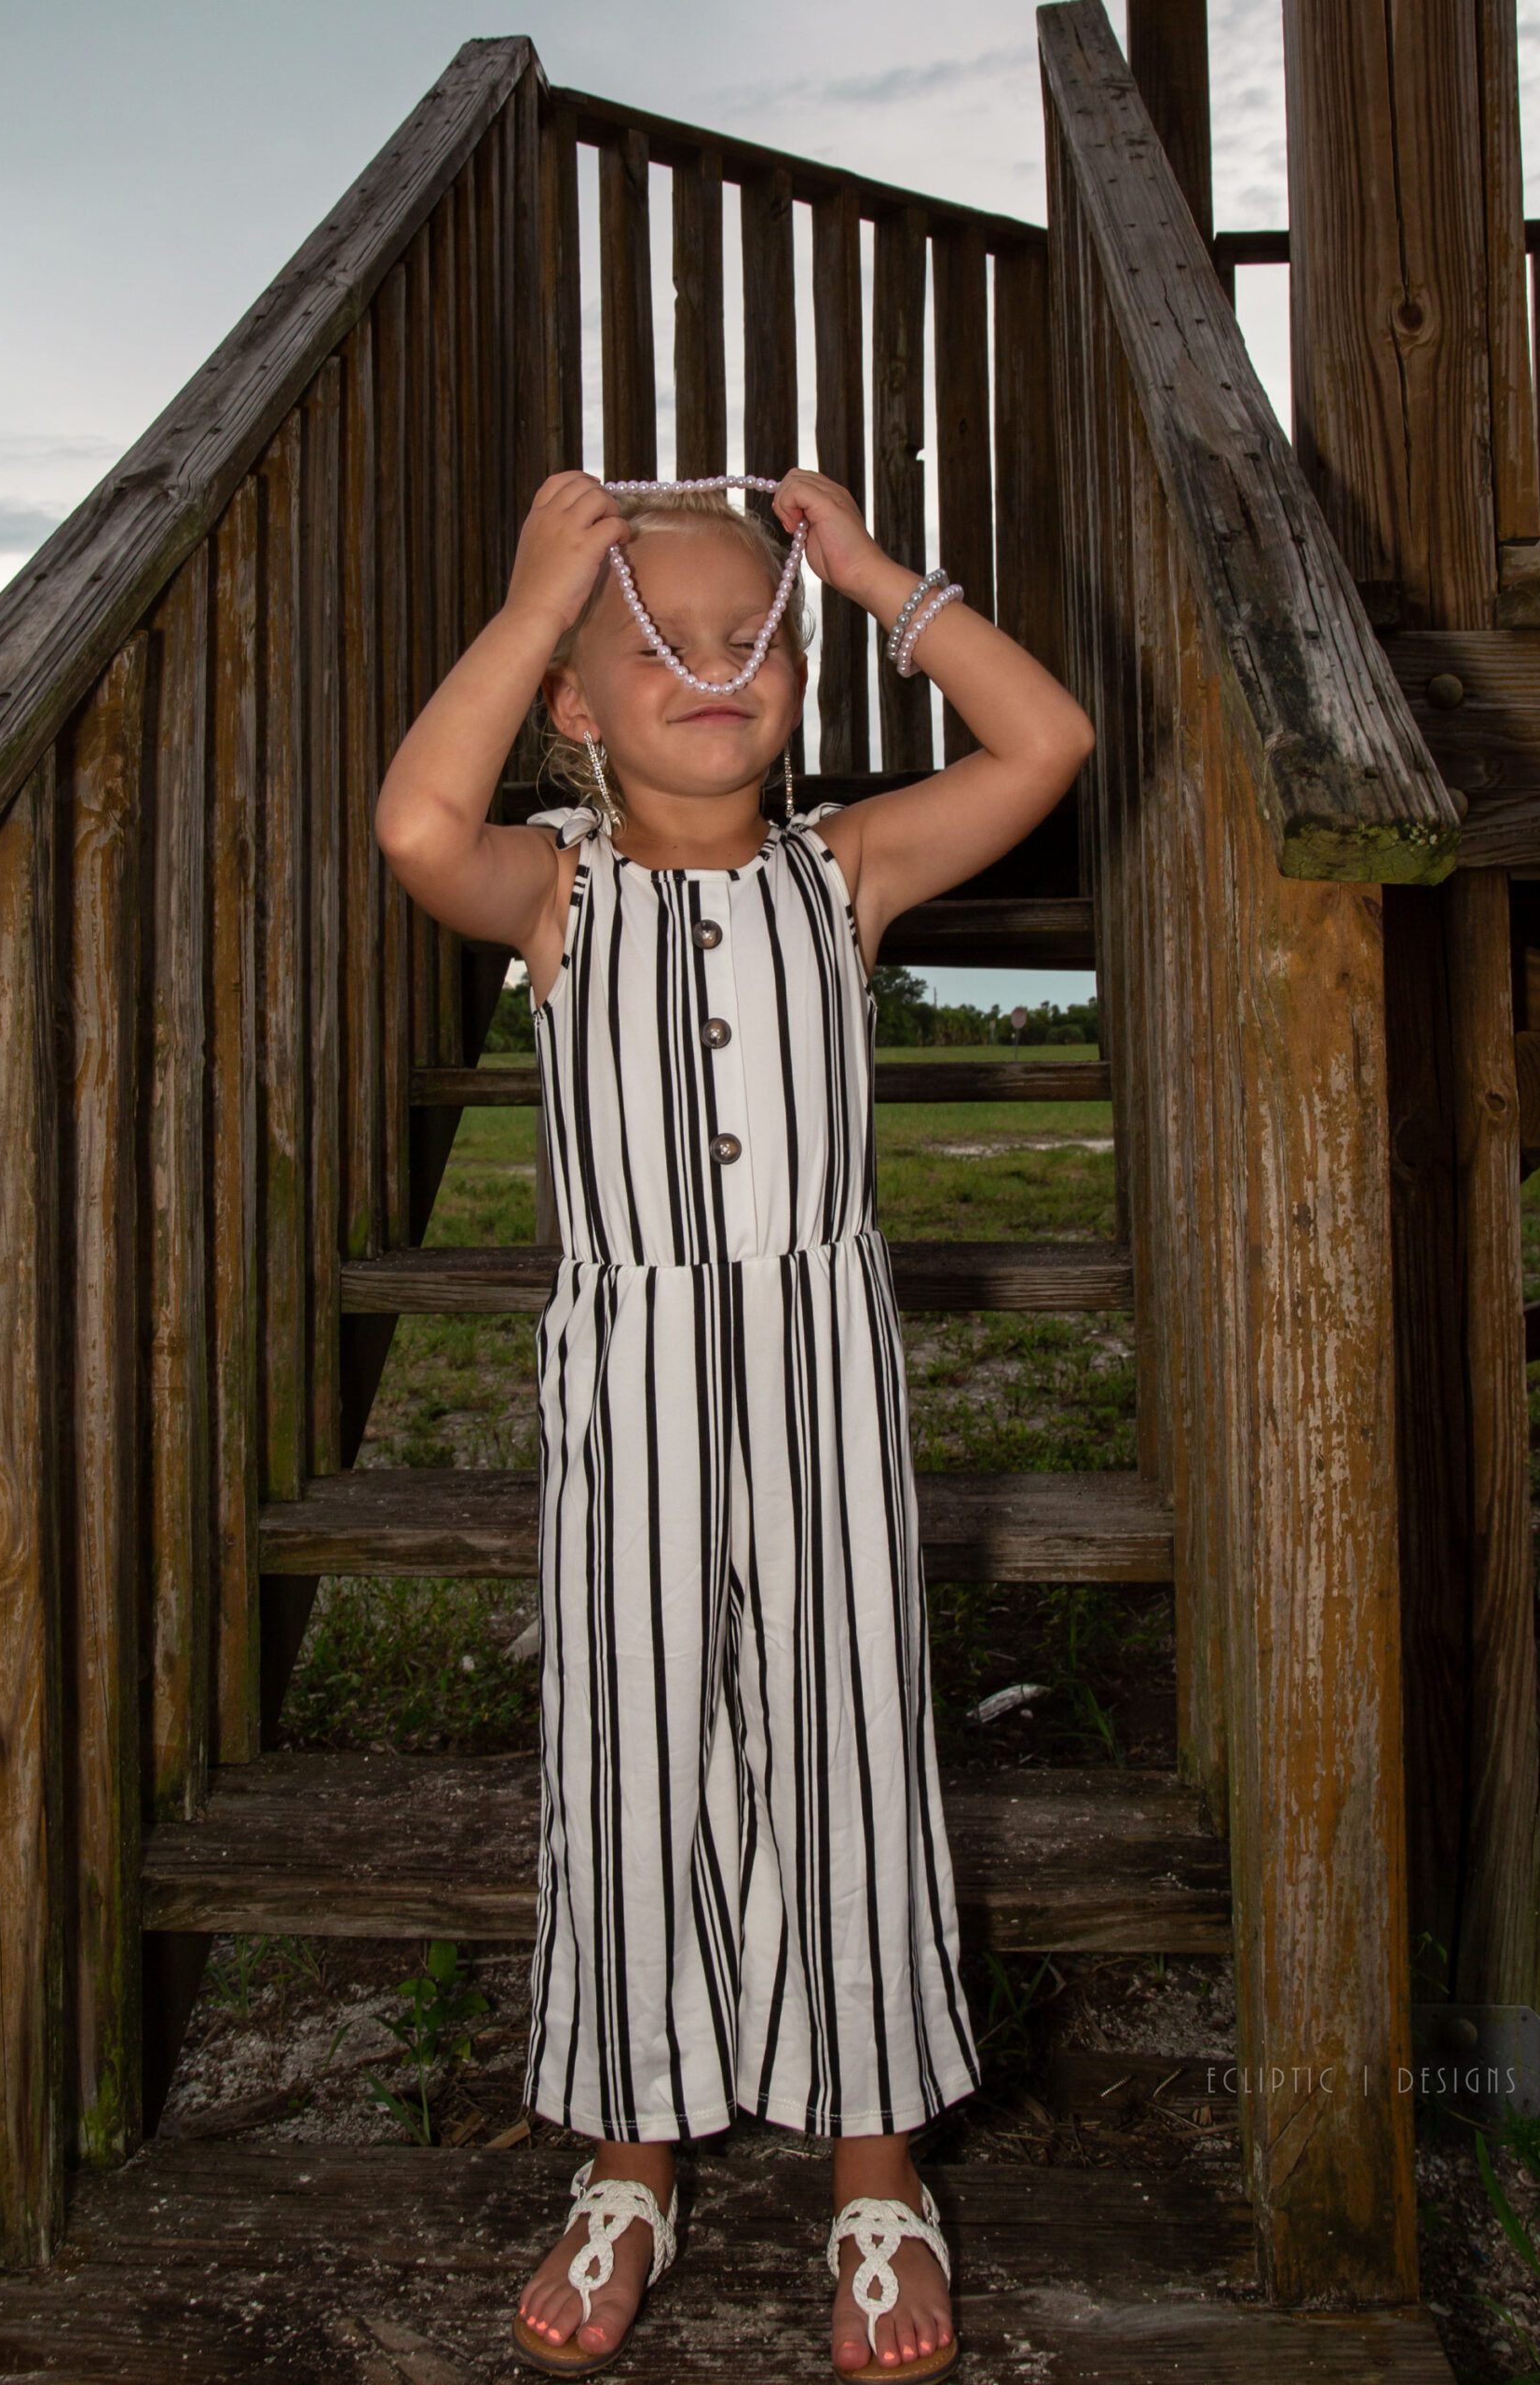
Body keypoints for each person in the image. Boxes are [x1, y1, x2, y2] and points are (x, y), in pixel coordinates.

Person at [375, 467, 1095, 2381]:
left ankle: (878, 2163)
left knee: (847, 1738)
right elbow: (416, 821)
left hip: (820, 1371)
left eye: (752, 638)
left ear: (799, 673)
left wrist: (869, 575)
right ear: (573, 700)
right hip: (627, 1382)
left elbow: (1047, 740)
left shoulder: (846, 873)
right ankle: (633, 2152)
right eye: (656, 643)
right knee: (633, 1751)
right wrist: (530, 599)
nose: (714, 667)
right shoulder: (553, 892)